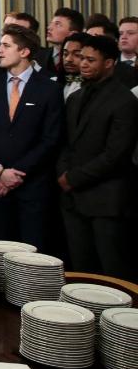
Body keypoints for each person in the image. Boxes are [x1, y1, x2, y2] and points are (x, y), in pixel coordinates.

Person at [56, 35, 138, 279]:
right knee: (81, 270)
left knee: (112, 272)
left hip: (106, 200)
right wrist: (63, 173)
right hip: (73, 199)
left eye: (91, 60)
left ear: (110, 63)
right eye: (82, 58)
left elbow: (116, 154)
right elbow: (65, 142)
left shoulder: (125, 101)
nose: (83, 64)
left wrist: (74, 177)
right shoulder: (75, 97)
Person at [0, 26, 64, 248]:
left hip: (32, 187)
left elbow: (50, 139)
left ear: (24, 52)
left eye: (6, 46)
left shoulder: (49, 89)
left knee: (32, 254)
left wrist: (15, 174)